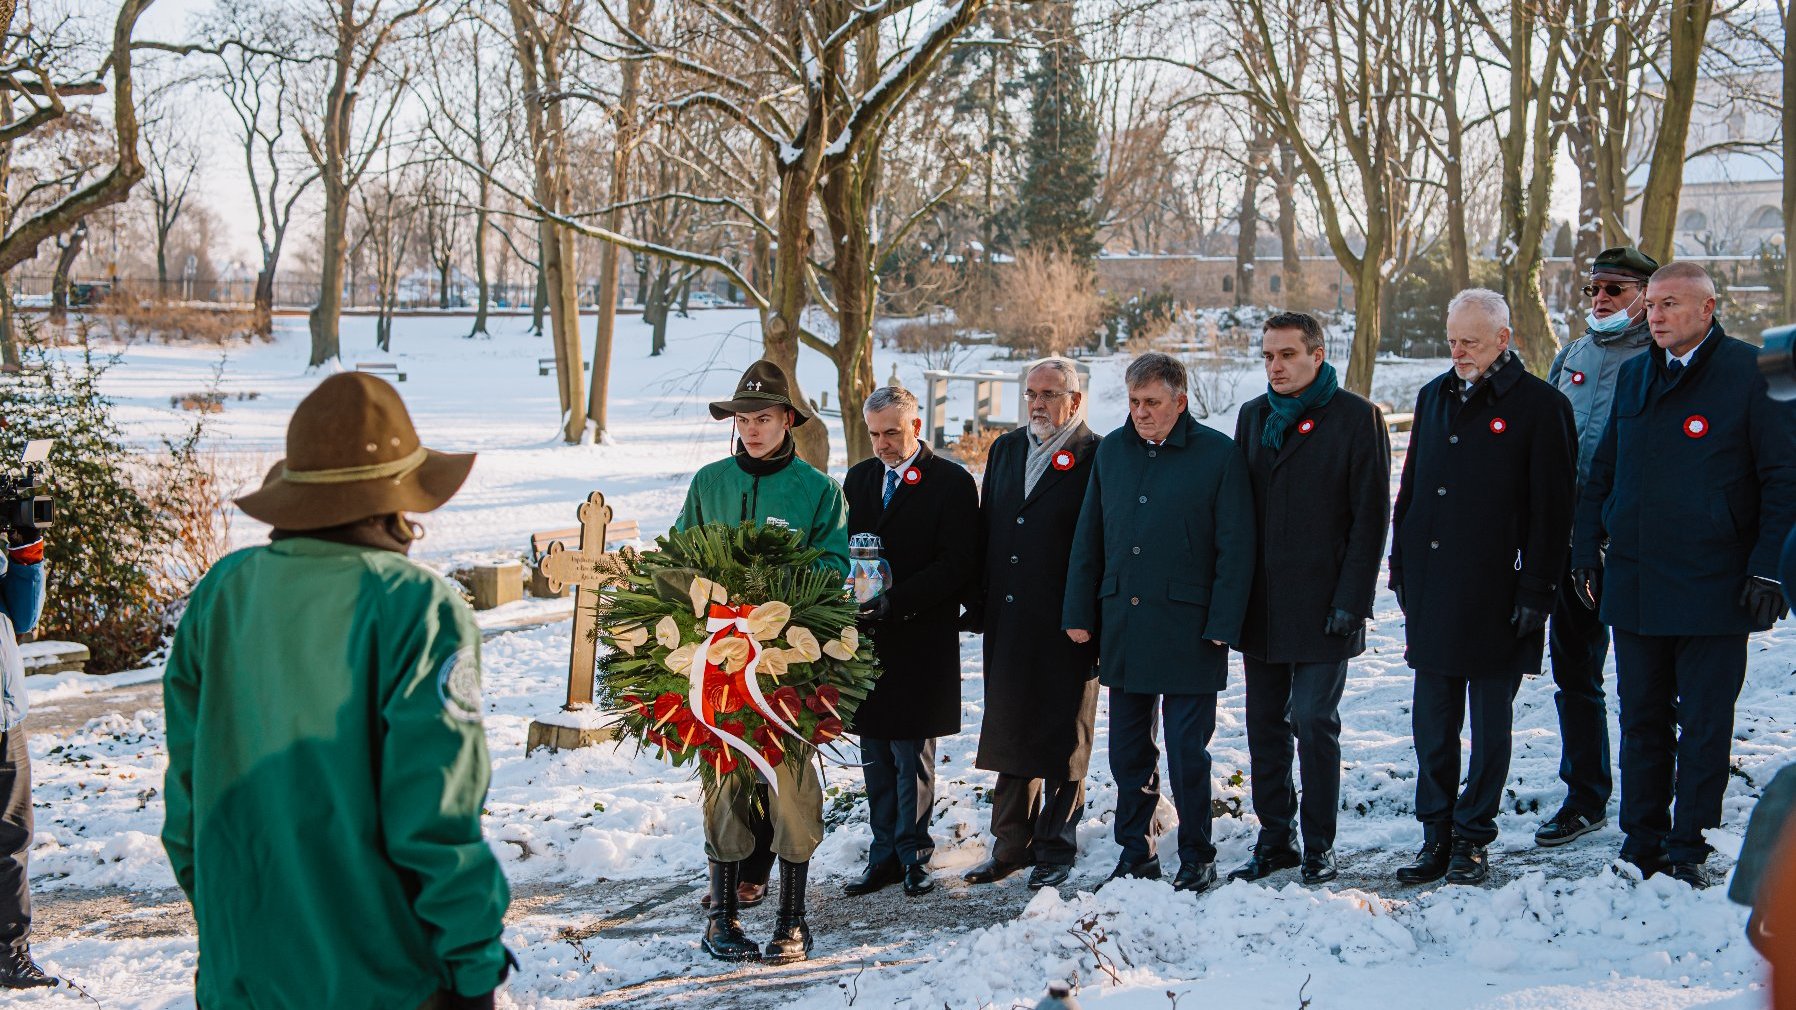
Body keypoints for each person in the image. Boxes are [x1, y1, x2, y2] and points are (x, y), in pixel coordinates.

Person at [162, 373, 513, 1008]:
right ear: (398, 500)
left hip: (241, 973)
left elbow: (188, 807)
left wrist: (239, 922)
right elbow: (435, 815)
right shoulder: (416, 605)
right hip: (385, 980)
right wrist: (473, 966)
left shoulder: (222, 593)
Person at [1571, 261, 1796, 888]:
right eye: (1653, 305)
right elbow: (1605, 472)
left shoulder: (1756, 371)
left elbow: (1785, 479)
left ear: (1708, 308)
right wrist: (1586, 548)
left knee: (1703, 723)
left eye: (1671, 304)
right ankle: (1640, 838)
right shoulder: (1636, 372)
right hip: (1638, 581)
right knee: (1640, 717)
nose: (1656, 316)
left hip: (1716, 583)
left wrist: (1769, 570)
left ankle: (1688, 842)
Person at [1389, 288, 1576, 886]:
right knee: (1432, 724)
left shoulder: (1541, 407)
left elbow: (1554, 511)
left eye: (1470, 341)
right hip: (1435, 587)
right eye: (1452, 340)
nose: (1459, 351)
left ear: (1503, 338)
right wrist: (1401, 565)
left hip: (1502, 592)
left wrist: (1537, 591)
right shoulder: (1433, 395)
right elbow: (1413, 488)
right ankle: (1435, 834)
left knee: (1490, 726)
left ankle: (1473, 837)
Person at [674, 358, 849, 962]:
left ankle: (793, 922)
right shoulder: (709, 483)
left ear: (787, 421)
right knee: (724, 783)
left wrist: (776, 586)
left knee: (791, 788)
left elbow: (833, 566)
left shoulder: (818, 491)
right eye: (743, 418)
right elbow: (680, 557)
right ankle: (722, 918)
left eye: (764, 418)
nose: (752, 428)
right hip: (720, 671)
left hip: (787, 667)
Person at [1063, 352, 1255, 893]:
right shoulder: (1113, 452)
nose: (1141, 413)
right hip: (1123, 621)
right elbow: (1090, 536)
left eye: (1151, 403)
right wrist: (1079, 611)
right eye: (1133, 402)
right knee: (1128, 753)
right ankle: (1136, 853)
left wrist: (1224, 621)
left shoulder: (1218, 455)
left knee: (1187, 751)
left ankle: (1198, 854)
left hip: (1191, 629)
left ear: (1180, 401)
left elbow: (1235, 547)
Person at [1229, 313, 1389, 886]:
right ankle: (1276, 839)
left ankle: (1320, 843)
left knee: (1315, 719)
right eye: (1268, 355)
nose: (1275, 366)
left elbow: (1371, 518)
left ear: (1317, 356)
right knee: (1265, 724)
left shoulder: (1356, 417)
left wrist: (1353, 598)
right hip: (1263, 605)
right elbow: (1240, 512)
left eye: (1288, 355)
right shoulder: (1253, 417)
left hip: (1328, 602)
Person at [1535, 246, 1659, 848]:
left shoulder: (1661, 358)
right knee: (1576, 673)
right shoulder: (1574, 354)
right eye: (1593, 290)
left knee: (1650, 681)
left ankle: (1654, 800)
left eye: (1614, 289)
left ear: (1645, 293)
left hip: (1636, 541)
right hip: (1570, 539)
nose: (1601, 300)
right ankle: (1585, 794)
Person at [965, 359, 1101, 892]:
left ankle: (1055, 845)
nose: (1038, 403)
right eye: (1031, 394)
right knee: (1009, 726)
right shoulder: (1006, 449)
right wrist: (978, 603)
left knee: (1064, 731)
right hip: (1009, 610)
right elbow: (988, 527)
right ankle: (1009, 846)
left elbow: (1100, 539)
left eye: (1049, 393)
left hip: (1068, 617)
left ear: (1075, 399)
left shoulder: (1096, 453)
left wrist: (1088, 612)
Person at [842, 386, 979, 900]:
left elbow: (957, 562)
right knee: (874, 752)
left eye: (892, 433)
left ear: (916, 426)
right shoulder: (858, 478)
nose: (882, 443)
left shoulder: (950, 481)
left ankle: (914, 855)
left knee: (911, 754)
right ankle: (882, 857)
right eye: (874, 433)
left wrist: (897, 601)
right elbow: (845, 550)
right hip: (866, 642)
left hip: (919, 635)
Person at [0, 514, 47, 988]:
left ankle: (10, 956)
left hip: (3, 713)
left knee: (12, 840)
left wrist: (26, 550)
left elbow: (24, 617)